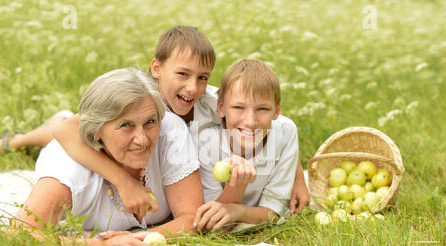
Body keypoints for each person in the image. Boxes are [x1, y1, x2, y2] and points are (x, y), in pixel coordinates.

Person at [50, 25, 310, 218]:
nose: (192, 87)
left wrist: (297, 177)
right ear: (157, 69)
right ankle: (20, 138)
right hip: (118, 144)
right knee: (61, 127)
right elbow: (64, 131)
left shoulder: (210, 101)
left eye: (203, 77)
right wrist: (124, 182)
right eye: (183, 74)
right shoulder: (140, 102)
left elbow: (271, 123)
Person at [9, 68, 204, 246]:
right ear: (97, 131)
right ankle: (16, 140)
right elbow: (18, 234)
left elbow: (191, 218)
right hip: (65, 145)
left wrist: (135, 240)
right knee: (59, 129)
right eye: (125, 125)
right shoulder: (67, 171)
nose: (142, 139)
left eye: (150, 122)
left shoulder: (169, 132)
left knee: (66, 124)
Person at [193, 59, 299, 231]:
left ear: (277, 111)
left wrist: (237, 212)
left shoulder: (286, 131)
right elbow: (210, 221)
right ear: (221, 107)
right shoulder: (206, 142)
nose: (250, 121)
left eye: (262, 109)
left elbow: (273, 212)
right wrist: (237, 183)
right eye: (238, 107)